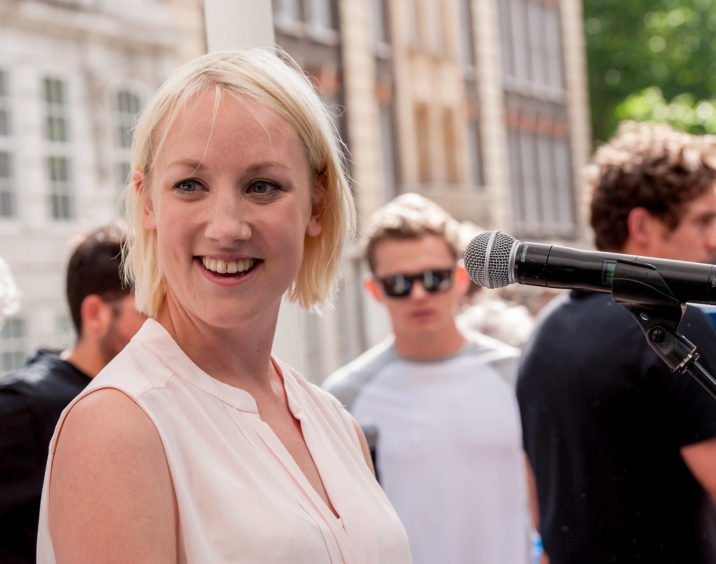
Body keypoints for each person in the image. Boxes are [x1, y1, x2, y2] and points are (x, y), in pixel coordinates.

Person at [36, 49, 411, 563]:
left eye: (263, 186)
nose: (227, 227)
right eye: (190, 185)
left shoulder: (334, 421)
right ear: (147, 203)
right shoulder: (119, 428)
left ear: (316, 205)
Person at [517, 121, 716, 563]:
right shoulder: (679, 326)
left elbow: (540, 511)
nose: (713, 239)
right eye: (703, 219)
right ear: (642, 225)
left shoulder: (546, 331)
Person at [323, 193, 531, 564]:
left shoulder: (516, 374)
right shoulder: (343, 397)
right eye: (400, 283)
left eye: (434, 278)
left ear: (461, 279)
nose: (418, 294)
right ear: (375, 290)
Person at [0, 221, 145, 564]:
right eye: (145, 312)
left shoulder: (138, 399)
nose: (160, 327)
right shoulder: (24, 409)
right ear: (95, 314)